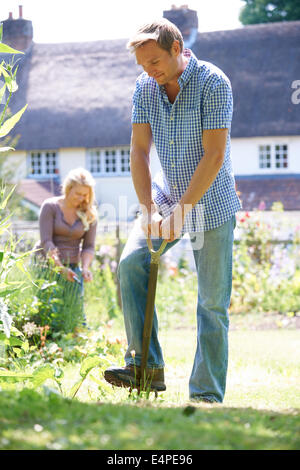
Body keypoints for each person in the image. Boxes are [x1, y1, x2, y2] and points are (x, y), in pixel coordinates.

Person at [104, 19, 241, 403]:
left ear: (177, 47)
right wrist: (149, 211)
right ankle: (145, 368)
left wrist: (181, 215)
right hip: (167, 195)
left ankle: (206, 395)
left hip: (212, 203)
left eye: (155, 61)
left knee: (211, 304)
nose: (150, 71)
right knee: (131, 263)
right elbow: (139, 151)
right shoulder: (145, 87)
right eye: (143, 65)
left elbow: (214, 157)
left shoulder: (214, 83)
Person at [34, 168, 98, 326]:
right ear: (68, 189)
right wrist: (59, 267)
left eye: (85, 194)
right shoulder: (50, 207)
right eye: (78, 194)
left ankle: (76, 344)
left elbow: (89, 246)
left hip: (72, 268)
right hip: (46, 266)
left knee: (75, 315)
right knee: (48, 313)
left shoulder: (89, 214)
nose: (82, 198)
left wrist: (84, 268)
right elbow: (46, 241)